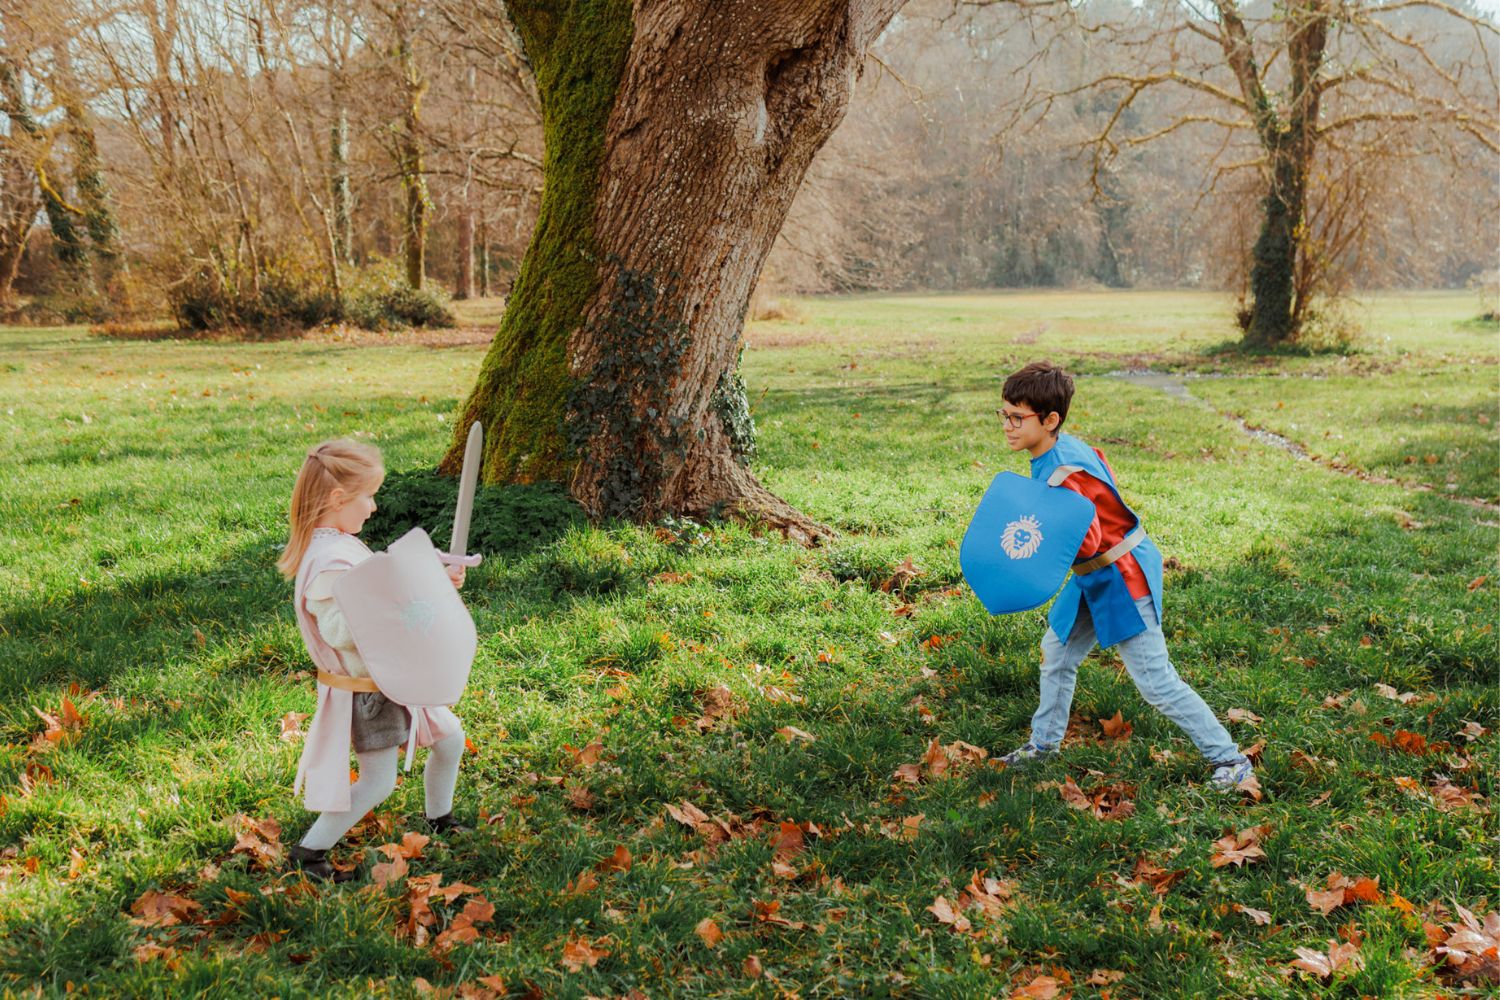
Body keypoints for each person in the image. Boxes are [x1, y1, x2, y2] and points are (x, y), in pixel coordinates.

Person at [994, 362, 1255, 790]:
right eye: (1003, 414)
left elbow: (1085, 535)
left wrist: (1032, 547)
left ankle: (1229, 758)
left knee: (1156, 681)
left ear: (1050, 420)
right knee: (1057, 653)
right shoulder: (1059, 449)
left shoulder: (1061, 473)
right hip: (1092, 578)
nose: (1007, 425)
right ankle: (1043, 745)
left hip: (1121, 574)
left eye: (1017, 417)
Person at [274, 439, 468, 881]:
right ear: (339, 499)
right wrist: (414, 607)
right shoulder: (328, 562)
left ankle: (440, 820)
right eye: (368, 496)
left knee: (450, 738)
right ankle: (309, 853)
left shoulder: (341, 546)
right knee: (378, 782)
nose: (374, 506)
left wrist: (435, 582)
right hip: (369, 692)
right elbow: (343, 630)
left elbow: (384, 587)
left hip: (395, 678)